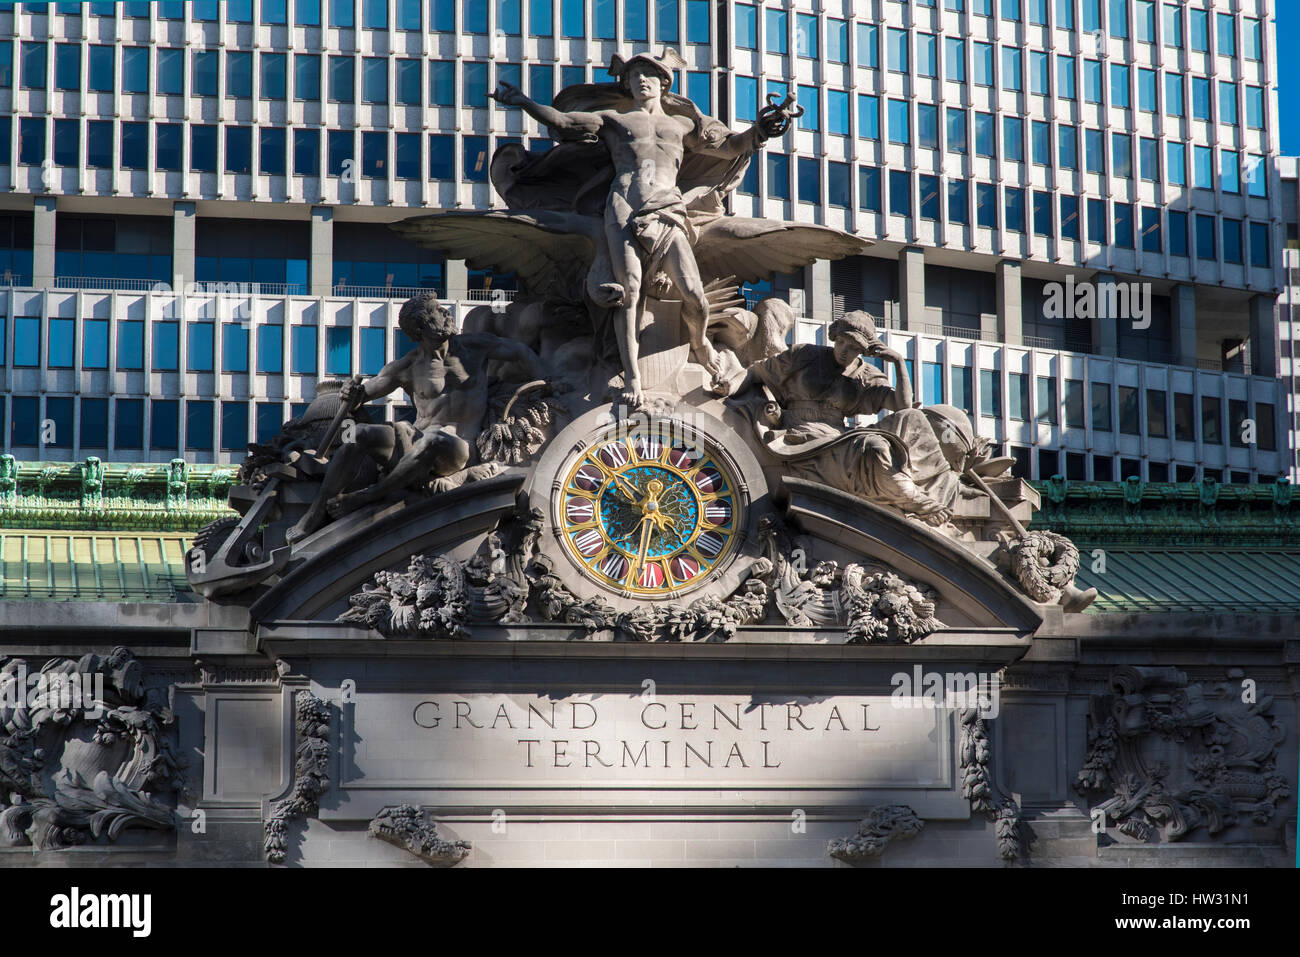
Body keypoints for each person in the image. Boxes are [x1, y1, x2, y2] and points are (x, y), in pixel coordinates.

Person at [491, 50, 785, 407]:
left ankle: (700, 343)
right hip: (624, 209)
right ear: (626, 84)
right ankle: (632, 377)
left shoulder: (683, 126)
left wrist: (760, 131)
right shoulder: (614, 119)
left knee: (694, 293)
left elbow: (732, 146)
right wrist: (524, 101)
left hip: (667, 209)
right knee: (628, 294)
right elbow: (565, 124)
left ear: (664, 83)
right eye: (634, 76)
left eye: (648, 75)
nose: (641, 80)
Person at [286, 293, 546, 543]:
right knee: (360, 433)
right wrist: (352, 393)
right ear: (421, 327)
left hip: (459, 449)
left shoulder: (473, 347)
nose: (446, 314)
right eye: (437, 311)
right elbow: (366, 392)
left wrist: (547, 384)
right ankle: (315, 513)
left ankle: (368, 496)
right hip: (416, 441)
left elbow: (520, 352)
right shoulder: (408, 366)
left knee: (434, 439)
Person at [731, 311, 990, 525]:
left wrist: (898, 361)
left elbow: (903, 406)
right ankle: (914, 498)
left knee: (912, 418)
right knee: (875, 447)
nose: (845, 351)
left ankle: (942, 484)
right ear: (835, 336)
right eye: (842, 342)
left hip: (837, 436)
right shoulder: (805, 355)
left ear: (863, 350)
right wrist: (726, 388)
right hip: (802, 435)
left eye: (854, 347)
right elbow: (756, 373)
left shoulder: (864, 374)